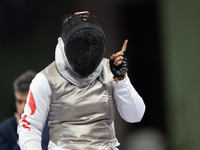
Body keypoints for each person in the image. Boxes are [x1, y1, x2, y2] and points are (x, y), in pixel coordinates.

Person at [17, 11, 146, 150]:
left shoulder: (110, 70)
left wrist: (121, 79)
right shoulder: (46, 79)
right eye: (79, 45)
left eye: (90, 44)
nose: (85, 51)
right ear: (65, 44)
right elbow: (29, 126)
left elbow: (135, 116)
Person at [0, 70, 50, 150]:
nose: (23, 107)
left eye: (27, 101)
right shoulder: (4, 131)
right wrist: (24, 136)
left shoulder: (54, 126)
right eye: (19, 101)